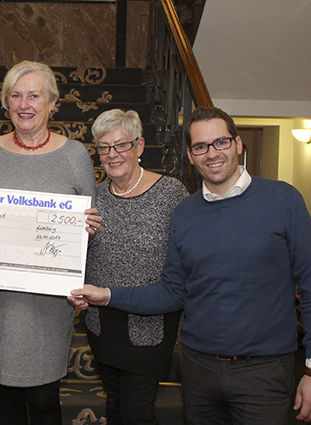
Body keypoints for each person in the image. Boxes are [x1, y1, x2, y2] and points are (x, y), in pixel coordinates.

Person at [70, 106, 311, 424]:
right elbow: (172, 290)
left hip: (263, 371)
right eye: (200, 146)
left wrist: (309, 368)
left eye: (221, 142)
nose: (212, 153)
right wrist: (106, 294)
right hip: (198, 370)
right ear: (190, 155)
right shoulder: (186, 212)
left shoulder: (283, 200)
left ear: (238, 144)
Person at [0, 60, 101, 425]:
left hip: (50, 297)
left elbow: (88, 227)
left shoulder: (75, 156)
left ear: (52, 104)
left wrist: (86, 228)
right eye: (15, 95)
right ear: (5, 102)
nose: (24, 103)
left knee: (45, 398)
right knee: (5, 395)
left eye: (34, 95)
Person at [84, 109, 187, 424]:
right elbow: (80, 255)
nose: (112, 154)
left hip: (149, 326)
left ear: (140, 146)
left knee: (137, 413)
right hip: (102, 323)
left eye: (121, 145)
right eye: (104, 147)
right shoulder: (94, 198)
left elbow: (186, 257)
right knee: (114, 408)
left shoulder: (171, 193)